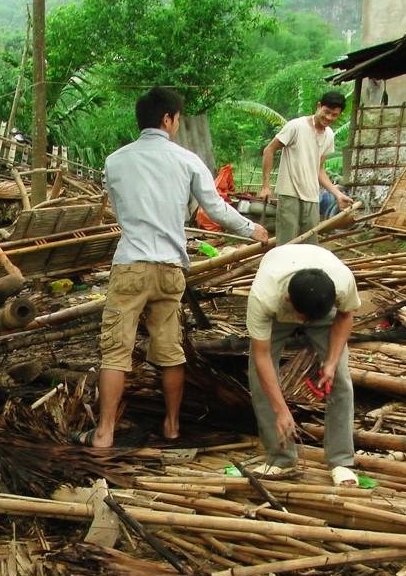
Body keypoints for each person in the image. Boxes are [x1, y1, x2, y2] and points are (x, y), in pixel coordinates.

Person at [74, 86, 269, 448]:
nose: (177, 124)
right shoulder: (187, 160)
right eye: (178, 118)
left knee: (115, 351)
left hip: (131, 264)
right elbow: (215, 209)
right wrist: (251, 229)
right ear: (168, 119)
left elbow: (118, 210)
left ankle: (103, 433)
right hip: (169, 269)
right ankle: (173, 426)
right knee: (170, 350)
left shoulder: (115, 161)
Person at [246, 243, 360, 486]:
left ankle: (341, 461)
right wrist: (280, 409)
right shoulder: (264, 296)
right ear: (289, 299)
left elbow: (345, 315)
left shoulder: (342, 282)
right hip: (279, 308)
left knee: (339, 377)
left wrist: (330, 362)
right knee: (259, 376)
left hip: (317, 303)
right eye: (301, 317)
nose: (303, 323)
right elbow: (262, 355)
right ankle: (280, 457)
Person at [258, 91, 353, 245]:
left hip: (312, 197)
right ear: (319, 106)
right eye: (326, 112)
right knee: (287, 244)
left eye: (334, 115)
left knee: (310, 246)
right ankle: (286, 270)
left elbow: (319, 169)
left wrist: (337, 194)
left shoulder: (329, 135)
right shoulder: (296, 126)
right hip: (290, 195)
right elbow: (269, 150)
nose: (329, 117)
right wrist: (265, 186)